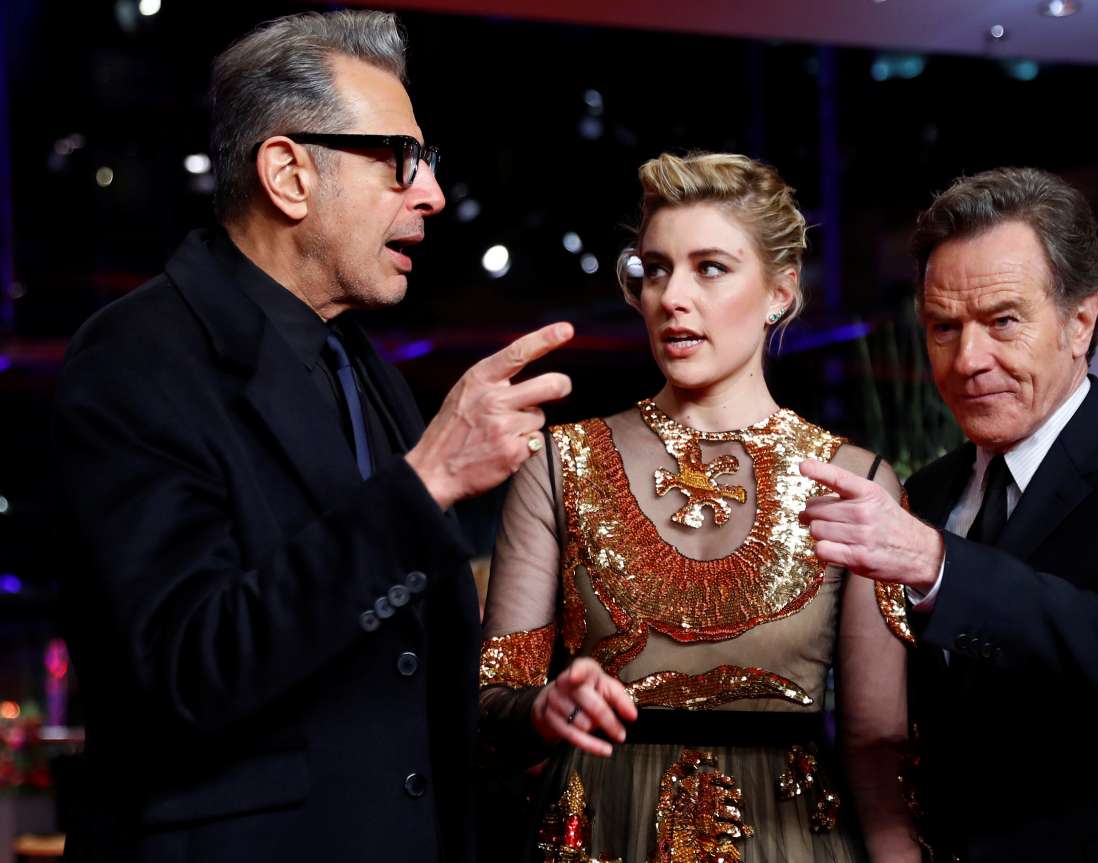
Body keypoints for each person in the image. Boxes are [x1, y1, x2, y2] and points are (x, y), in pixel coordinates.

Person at [51, 11, 572, 862]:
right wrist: (426, 483)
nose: (433, 195)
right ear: (289, 175)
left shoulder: (362, 366)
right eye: (400, 159)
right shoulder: (134, 359)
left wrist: (527, 720)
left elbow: (407, 678)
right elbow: (183, 671)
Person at [478, 152, 920, 862]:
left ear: (781, 290)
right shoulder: (559, 464)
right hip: (595, 836)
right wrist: (545, 705)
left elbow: (877, 746)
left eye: (710, 268)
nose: (671, 297)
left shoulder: (853, 481)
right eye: (655, 269)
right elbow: (495, 704)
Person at [800, 167, 1098, 862]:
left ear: (1080, 322)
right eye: (943, 327)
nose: (967, 360)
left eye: (1002, 321)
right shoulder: (928, 491)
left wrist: (936, 564)